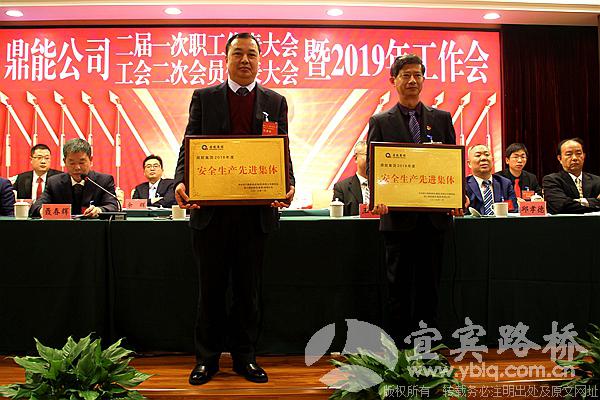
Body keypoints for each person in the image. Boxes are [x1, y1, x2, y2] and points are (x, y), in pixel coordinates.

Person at [173, 33, 295, 386]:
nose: (245, 60)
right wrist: (181, 180)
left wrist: (288, 182)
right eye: (237, 53)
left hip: (255, 214)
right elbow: (189, 143)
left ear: (260, 60)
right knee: (210, 291)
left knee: (248, 291)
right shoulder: (205, 97)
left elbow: (281, 147)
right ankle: (206, 360)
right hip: (212, 213)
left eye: (251, 54)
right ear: (225, 59)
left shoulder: (275, 101)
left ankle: (245, 358)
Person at [367, 54, 457, 346]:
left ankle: (427, 345)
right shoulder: (381, 121)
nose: (412, 81)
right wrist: (379, 196)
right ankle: (398, 347)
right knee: (399, 287)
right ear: (393, 81)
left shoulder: (441, 119)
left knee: (430, 288)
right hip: (398, 219)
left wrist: (457, 195)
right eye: (405, 75)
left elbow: (451, 164)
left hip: (434, 219)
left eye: (417, 75)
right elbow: (374, 166)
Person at [30, 138, 119, 218]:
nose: (77, 167)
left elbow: (113, 206)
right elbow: (36, 207)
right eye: (72, 163)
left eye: (81, 162)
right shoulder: (54, 183)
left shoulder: (103, 181)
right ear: (64, 162)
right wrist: (42, 211)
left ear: (91, 160)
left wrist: (99, 210)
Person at [543, 138, 600, 214]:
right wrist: (594, 202)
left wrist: (575, 202)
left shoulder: (597, 180)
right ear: (560, 159)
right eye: (569, 154)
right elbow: (561, 205)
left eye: (578, 153)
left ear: (584, 156)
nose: (574, 158)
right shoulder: (551, 180)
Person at [466, 144, 518, 215]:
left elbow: (513, 211)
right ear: (469, 163)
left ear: (492, 160)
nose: (484, 158)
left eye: (487, 155)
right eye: (478, 155)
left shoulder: (505, 184)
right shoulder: (463, 185)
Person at [333, 141, 368, 216]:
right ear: (355, 158)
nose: (372, 158)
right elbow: (337, 218)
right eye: (367, 154)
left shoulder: (385, 186)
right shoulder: (341, 188)